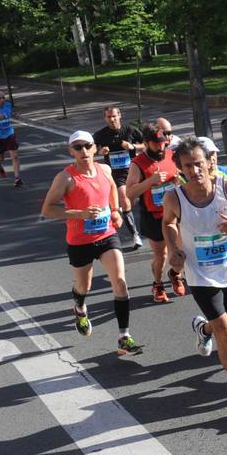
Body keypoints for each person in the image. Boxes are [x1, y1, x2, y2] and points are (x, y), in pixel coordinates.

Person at [163, 137, 227, 419]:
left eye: (198, 163)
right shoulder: (174, 197)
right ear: (180, 168)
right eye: (187, 166)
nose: (194, 170)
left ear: (209, 163)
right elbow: (168, 222)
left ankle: (203, 329)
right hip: (200, 275)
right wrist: (174, 249)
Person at [38, 131, 143, 358]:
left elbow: (112, 189)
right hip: (80, 241)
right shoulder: (65, 178)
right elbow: (47, 209)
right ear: (71, 151)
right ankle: (79, 307)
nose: (83, 151)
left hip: (107, 235)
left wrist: (115, 211)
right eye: (78, 147)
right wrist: (80, 214)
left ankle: (124, 337)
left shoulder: (104, 170)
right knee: (84, 286)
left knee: (120, 283)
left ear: (95, 147)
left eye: (87, 146)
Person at [126, 126, 185, 303]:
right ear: (146, 143)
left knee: (182, 251)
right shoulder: (138, 163)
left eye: (163, 143)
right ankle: (158, 284)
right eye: (156, 144)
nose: (161, 147)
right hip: (153, 216)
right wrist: (150, 181)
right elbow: (130, 192)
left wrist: (180, 180)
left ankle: (175, 274)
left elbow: (183, 179)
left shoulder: (171, 156)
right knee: (162, 255)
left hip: (175, 213)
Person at [94, 106, 144, 249]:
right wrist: (100, 151)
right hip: (116, 174)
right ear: (105, 118)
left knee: (133, 200)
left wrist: (133, 146)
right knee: (125, 200)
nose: (112, 119)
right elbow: (91, 148)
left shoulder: (130, 130)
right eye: (109, 117)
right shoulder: (101, 134)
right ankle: (135, 234)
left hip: (134, 171)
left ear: (119, 116)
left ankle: (123, 210)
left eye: (114, 116)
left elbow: (146, 144)